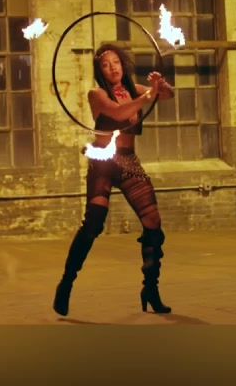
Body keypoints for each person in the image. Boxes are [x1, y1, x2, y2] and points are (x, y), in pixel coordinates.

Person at [53, 43, 175, 317]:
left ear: (123, 64)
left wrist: (160, 85)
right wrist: (148, 95)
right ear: (100, 71)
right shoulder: (96, 95)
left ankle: (150, 289)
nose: (112, 68)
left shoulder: (135, 90)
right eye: (106, 65)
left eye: (116, 62)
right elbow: (119, 113)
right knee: (94, 223)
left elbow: (168, 95)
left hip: (129, 162)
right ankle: (66, 283)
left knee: (153, 222)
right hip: (103, 164)